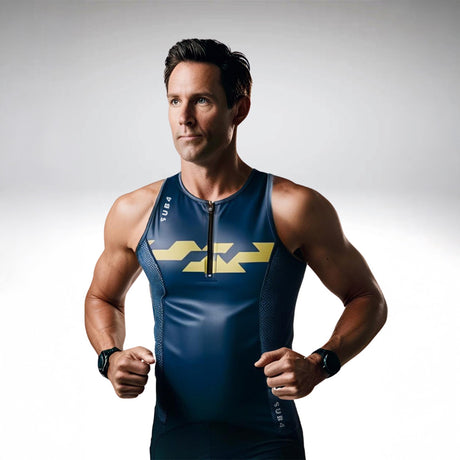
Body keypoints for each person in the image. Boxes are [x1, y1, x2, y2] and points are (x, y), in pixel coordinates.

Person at [85, 38, 387, 459]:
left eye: (202, 100)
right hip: (175, 441)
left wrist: (321, 364)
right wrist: (110, 357)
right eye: (175, 101)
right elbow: (102, 298)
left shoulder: (292, 207)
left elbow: (367, 298)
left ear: (239, 109)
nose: (184, 118)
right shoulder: (135, 211)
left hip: (268, 442)